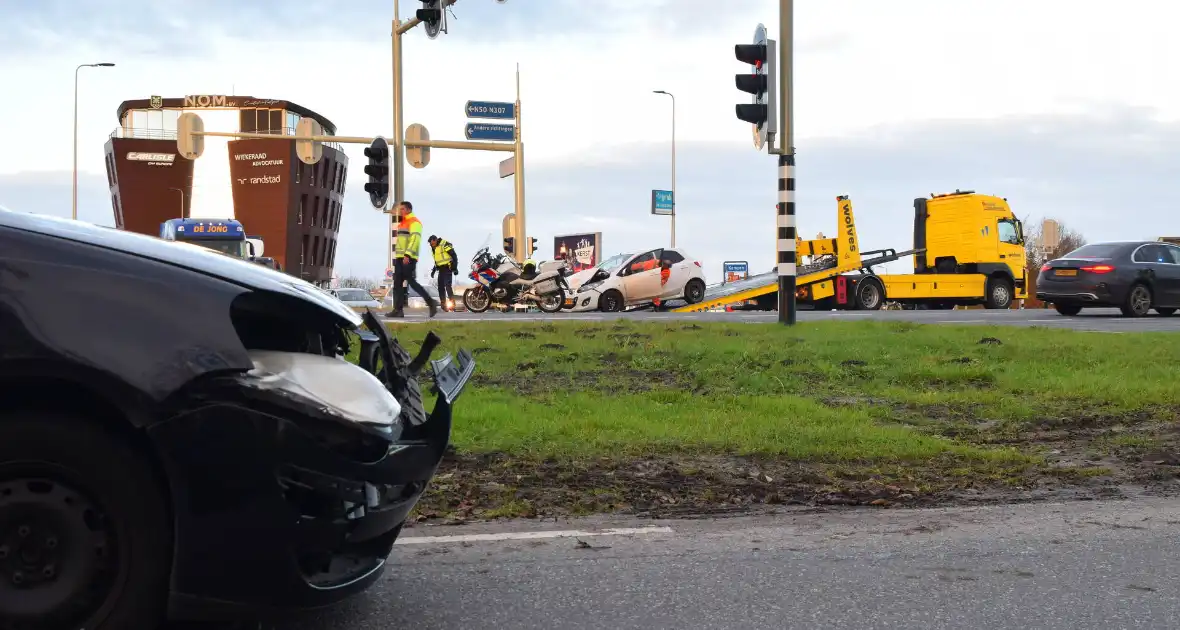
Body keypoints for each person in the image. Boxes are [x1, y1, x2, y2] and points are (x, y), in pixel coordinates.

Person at [388, 200, 438, 318]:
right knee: (397, 284)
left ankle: (431, 303)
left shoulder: (414, 222)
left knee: (411, 282)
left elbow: (415, 239)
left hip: (408, 258)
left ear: (408, 209)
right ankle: (398, 310)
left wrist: (408, 255)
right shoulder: (403, 222)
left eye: (402, 209)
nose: (400, 211)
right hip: (401, 258)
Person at [428, 235, 458, 312]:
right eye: (431, 244)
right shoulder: (433, 248)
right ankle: (443, 304)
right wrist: (434, 270)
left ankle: (452, 304)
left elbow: (454, 255)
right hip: (440, 269)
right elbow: (437, 260)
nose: (431, 245)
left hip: (448, 267)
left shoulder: (444, 244)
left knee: (447, 285)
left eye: (432, 243)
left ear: (435, 240)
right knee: (440, 287)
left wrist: (454, 268)